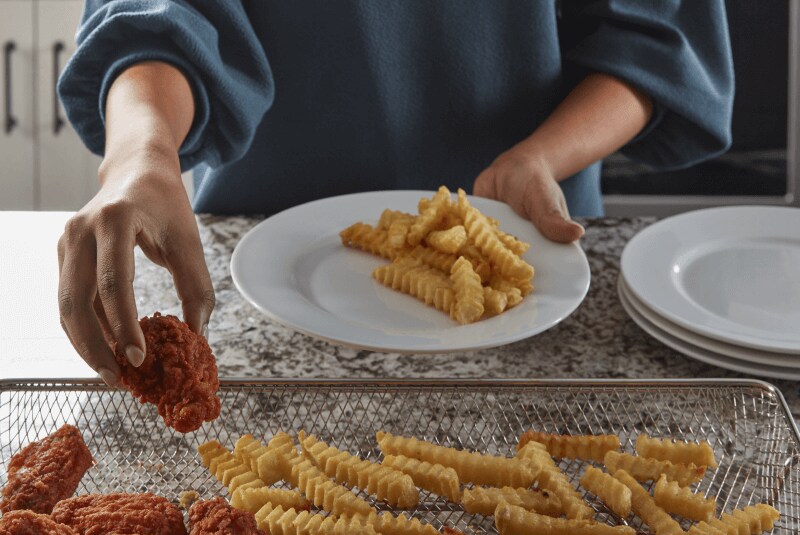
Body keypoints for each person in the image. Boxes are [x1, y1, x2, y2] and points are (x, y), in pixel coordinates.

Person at [56, 1, 733, 386]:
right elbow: (158, 14)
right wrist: (142, 154)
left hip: (531, 277)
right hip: (257, 284)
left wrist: (541, 156)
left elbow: (657, 35)